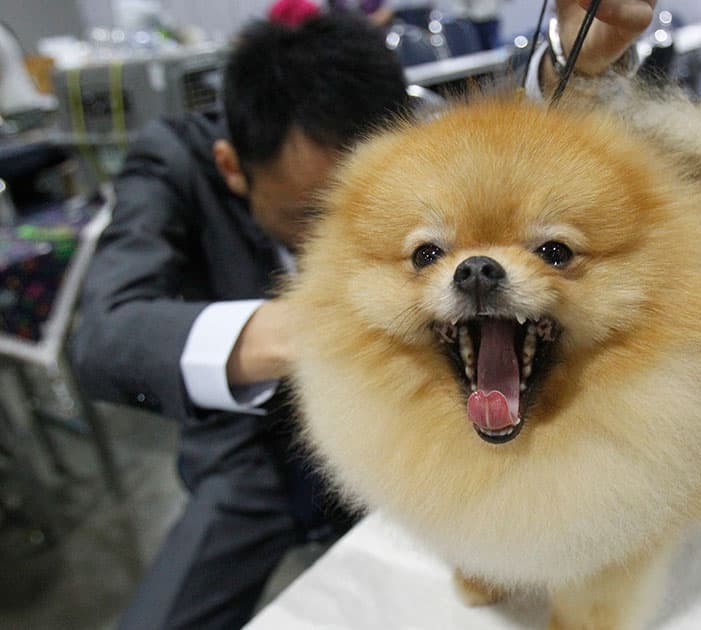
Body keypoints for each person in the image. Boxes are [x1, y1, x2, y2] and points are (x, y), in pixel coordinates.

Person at [72, 2, 653, 629]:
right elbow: (105, 334)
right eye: (306, 216)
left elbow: (517, 148)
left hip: (419, 431)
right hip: (251, 461)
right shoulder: (170, 162)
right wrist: (308, 328)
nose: (333, 246)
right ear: (231, 167)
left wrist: (577, 65)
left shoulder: (415, 134)